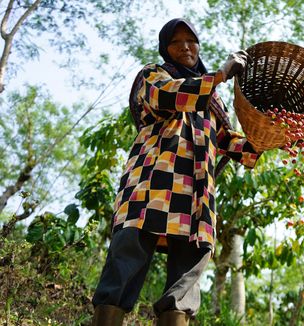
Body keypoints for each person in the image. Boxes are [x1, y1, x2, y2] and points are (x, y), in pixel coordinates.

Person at [91, 18, 261, 326]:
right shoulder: (154, 75)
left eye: (191, 41)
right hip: (152, 184)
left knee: (184, 282)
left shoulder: (213, 99)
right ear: (165, 49)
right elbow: (169, 96)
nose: (185, 46)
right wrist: (220, 75)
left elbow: (227, 140)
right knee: (126, 260)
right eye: (176, 42)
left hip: (196, 196)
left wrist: (262, 143)